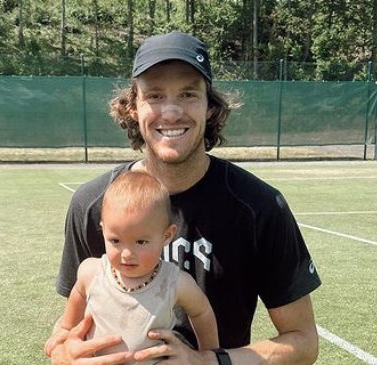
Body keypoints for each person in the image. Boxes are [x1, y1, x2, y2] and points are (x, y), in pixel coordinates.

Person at [46, 30, 322, 365]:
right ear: (133, 107)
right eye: (155, 96)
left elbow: (303, 342)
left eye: (189, 94)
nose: (172, 111)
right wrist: (63, 354)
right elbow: (63, 335)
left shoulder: (258, 207)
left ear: (210, 106)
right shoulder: (92, 203)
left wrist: (206, 361)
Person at [44, 170, 219, 363]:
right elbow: (77, 295)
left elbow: (201, 312)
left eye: (141, 242)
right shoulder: (91, 272)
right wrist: (65, 329)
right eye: (115, 240)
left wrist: (208, 355)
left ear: (167, 236)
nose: (126, 253)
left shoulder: (175, 282)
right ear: (103, 230)